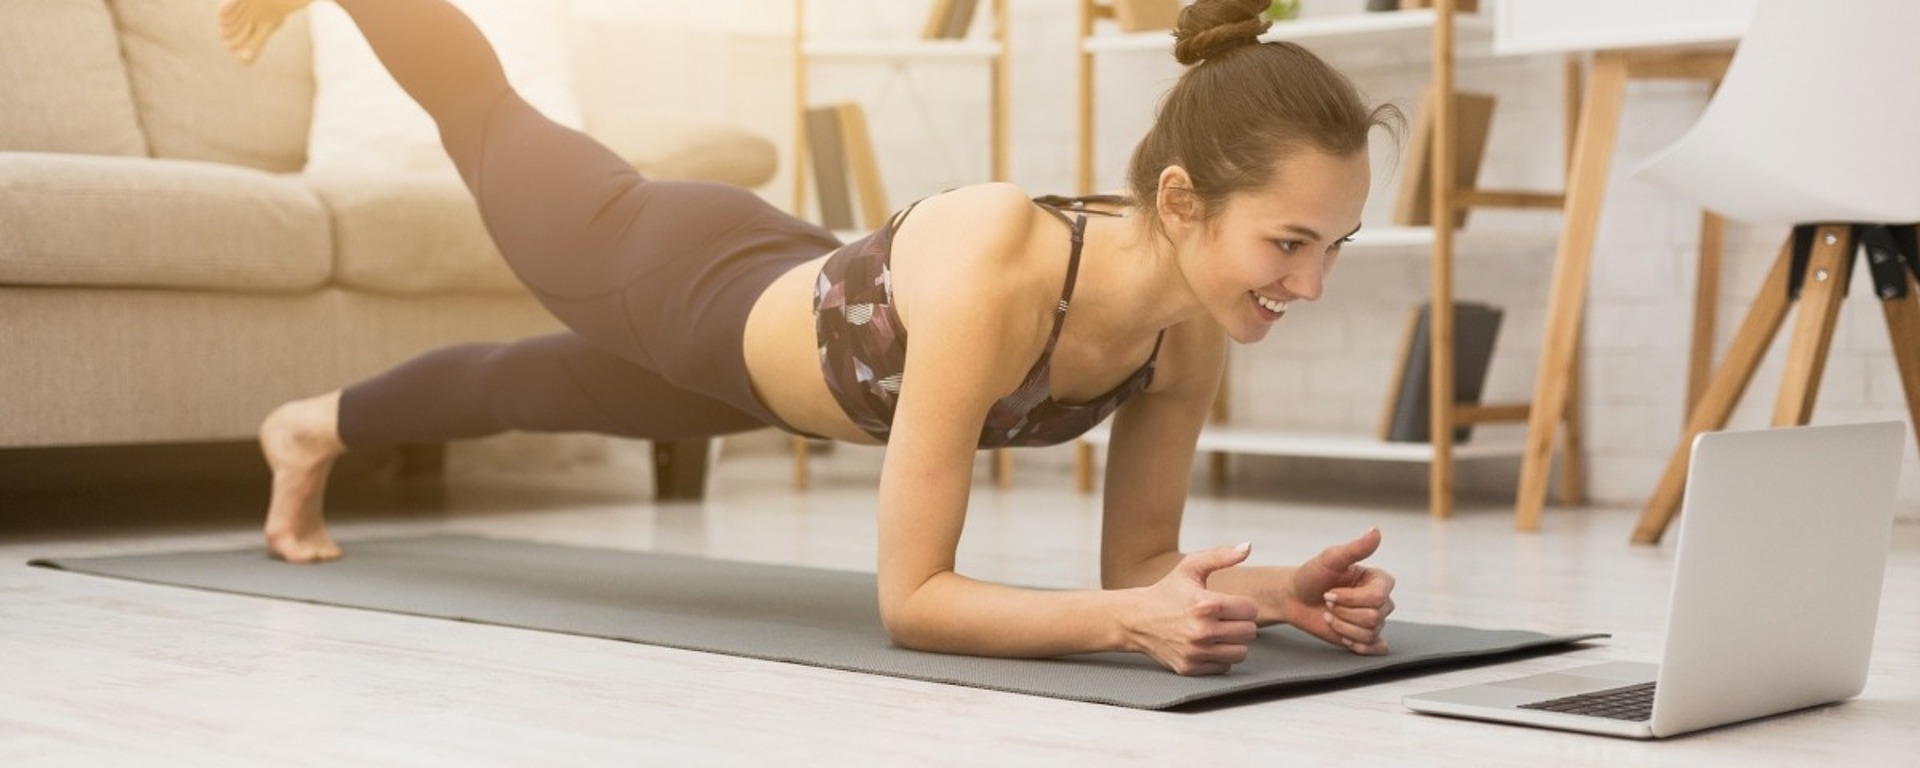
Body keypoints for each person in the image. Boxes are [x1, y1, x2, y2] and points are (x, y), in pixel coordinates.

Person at [218, 0, 1400, 676]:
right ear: (1184, 202)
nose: (1312, 282)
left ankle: (307, 429)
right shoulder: (1006, 260)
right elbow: (915, 600)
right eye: (1289, 242)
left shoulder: (1183, 334)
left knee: (522, 387)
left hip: (762, 337)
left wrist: (1276, 594)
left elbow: (1140, 567)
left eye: (1335, 245)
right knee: (486, 116)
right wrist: (1125, 626)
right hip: (673, 272)